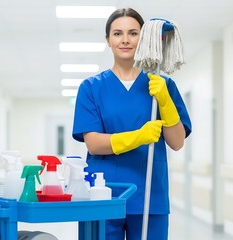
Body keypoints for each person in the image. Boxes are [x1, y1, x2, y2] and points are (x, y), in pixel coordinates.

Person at [72, 7, 192, 240]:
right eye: (117, 34)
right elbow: (94, 144)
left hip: (150, 195)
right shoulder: (91, 87)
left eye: (133, 33)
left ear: (144, 38)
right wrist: (139, 136)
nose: (125, 40)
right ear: (108, 40)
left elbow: (177, 142)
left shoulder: (162, 85)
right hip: (103, 194)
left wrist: (165, 101)